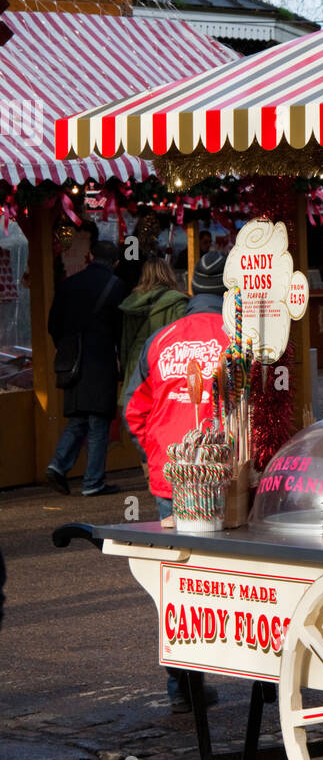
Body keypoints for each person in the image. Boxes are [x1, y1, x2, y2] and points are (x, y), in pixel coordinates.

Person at [123, 248, 227, 713]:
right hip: (229, 476)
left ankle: (182, 686)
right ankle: (263, 679)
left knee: (178, 582)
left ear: (193, 288)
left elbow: (134, 409)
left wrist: (157, 453)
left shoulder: (161, 339)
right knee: (250, 577)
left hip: (172, 479)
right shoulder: (243, 337)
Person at [46, 239, 126, 497]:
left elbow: (53, 324)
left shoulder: (68, 284)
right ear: (115, 262)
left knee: (78, 417)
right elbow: (121, 331)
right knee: (98, 422)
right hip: (101, 361)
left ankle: (58, 465)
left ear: (90, 256)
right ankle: (93, 482)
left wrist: (67, 346)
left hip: (72, 363)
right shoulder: (116, 286)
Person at [118, 258, 189, 399]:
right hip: (166, 362)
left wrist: (125, 372)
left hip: (136, 362)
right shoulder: (179, 301)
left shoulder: (132, 302)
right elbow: (184, 338)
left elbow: (126, 342)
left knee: (135, 412)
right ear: (168, 273)